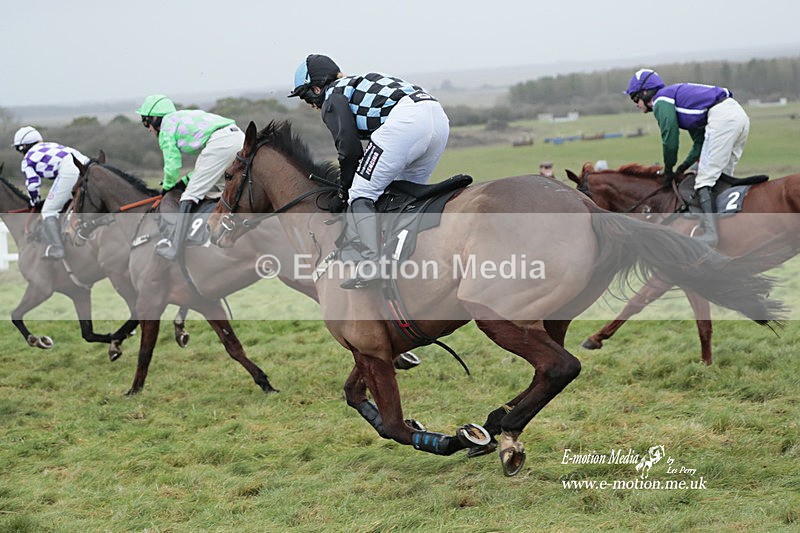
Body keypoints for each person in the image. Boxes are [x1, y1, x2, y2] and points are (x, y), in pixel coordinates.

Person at [288, 54, 450, 289]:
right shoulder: (355, 84)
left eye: (305, 96)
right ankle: (410, 254)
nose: (310, 105)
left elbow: (349, 151)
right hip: (437, 117)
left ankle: (372, 262)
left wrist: (344, 192)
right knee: (402, 194)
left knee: (361, 192)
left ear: (315, 88)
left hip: (408, 121)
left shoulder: (333, 97)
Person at [625, 68, 750, 246]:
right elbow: (699, 144)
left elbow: (670, 141)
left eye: (635, 98)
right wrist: (683, 167)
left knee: (704, 181)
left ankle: (711, 235)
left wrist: (669, 170)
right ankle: (728, 227)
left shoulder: (661, 100)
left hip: (723, 119)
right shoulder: (682, 100)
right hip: (738, 116)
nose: (636, 104)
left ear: (646, 93)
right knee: (720, 179)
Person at [136, 95, 245, 261]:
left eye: (146, 122)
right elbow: (205, 170)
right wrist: (184, 181)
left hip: (220, 143)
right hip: (239, 138)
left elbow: (172, 165)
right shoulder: (180, 118)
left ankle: (175, 248)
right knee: (223, 191)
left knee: (189, 196)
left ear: (155, 118)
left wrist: (167, 187)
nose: (148, 129)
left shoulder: (166, 128)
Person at [14, 126, 90, 259]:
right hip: (86, 164)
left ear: (23, 146)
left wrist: (34, 201)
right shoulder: (51, 145)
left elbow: (32, 185)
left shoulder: (27, 160)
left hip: (69, 169)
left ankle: (58, 248)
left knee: (48, 211)